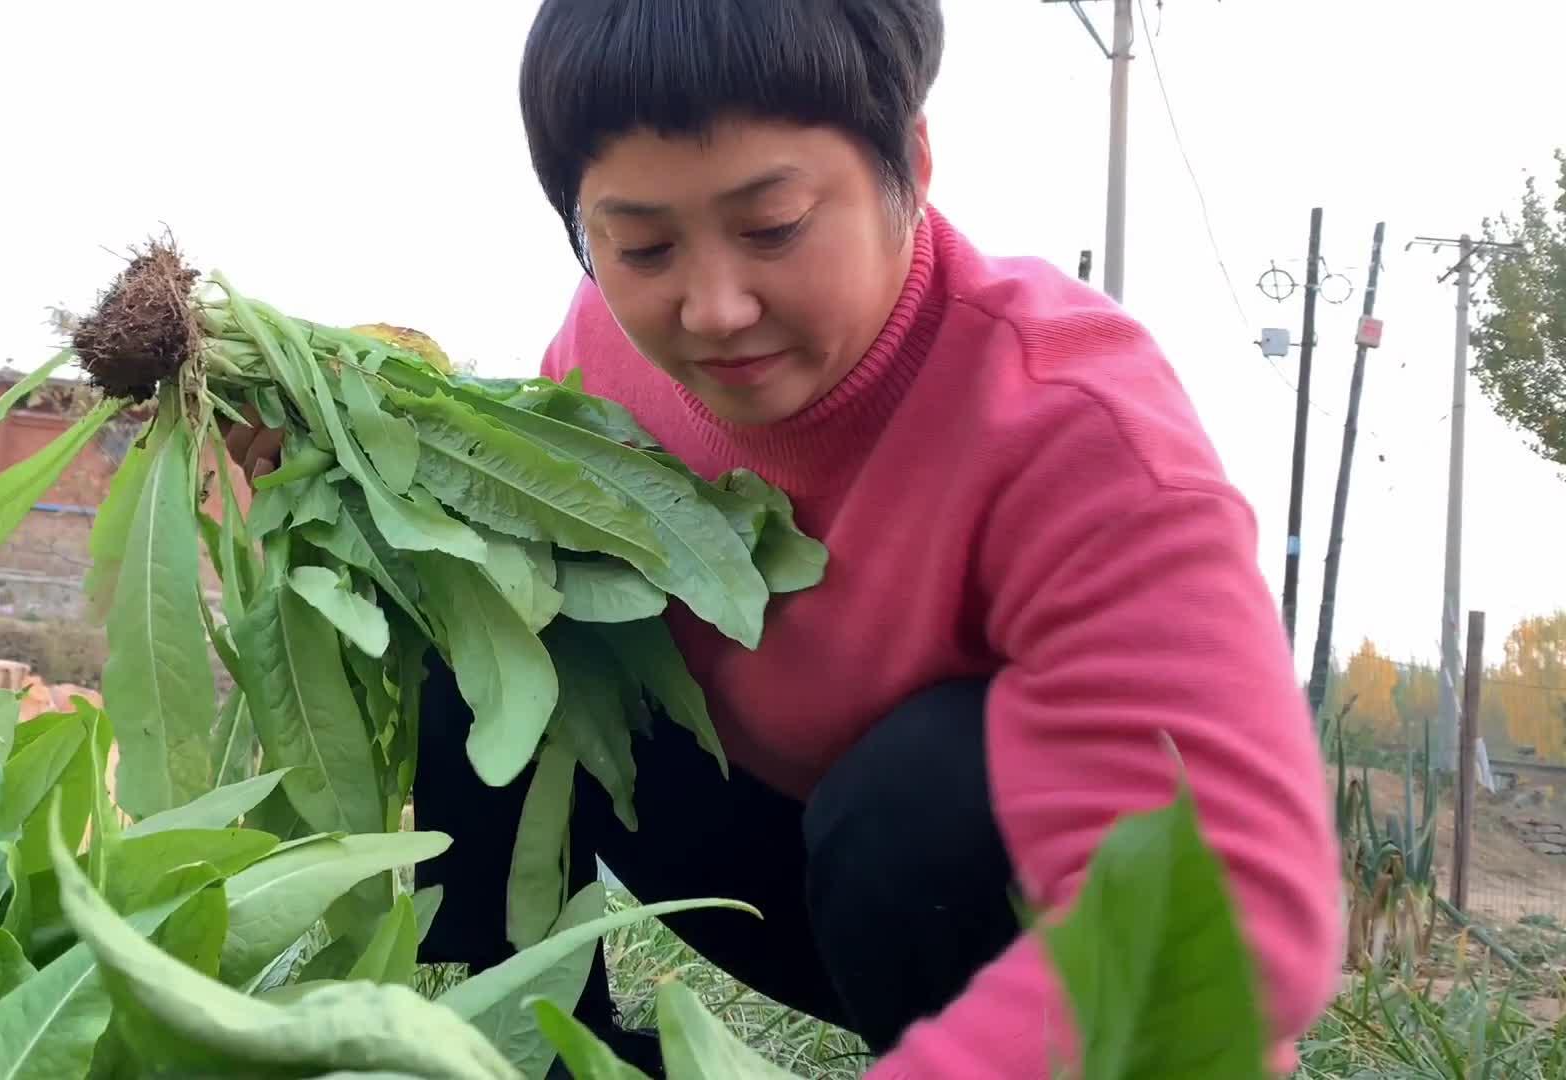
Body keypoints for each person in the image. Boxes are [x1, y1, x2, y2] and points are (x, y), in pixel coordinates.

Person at [225, 1, 1343, 1075]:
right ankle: (534, 1051)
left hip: (980, 912)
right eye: (644, 248)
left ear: (911, 161)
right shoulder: (606, 357)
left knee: (922, 792)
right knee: (477, 572)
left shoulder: (1076, 429)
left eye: (772, 228)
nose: (713, 308)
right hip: (756, 858)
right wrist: (346, 458)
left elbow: (1239, 903)